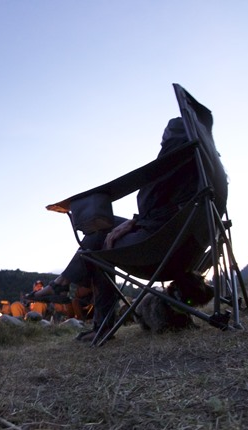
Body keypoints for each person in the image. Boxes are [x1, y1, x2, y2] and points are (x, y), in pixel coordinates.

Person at [27, 118, 196, 342]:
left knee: (98, 236)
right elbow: (169, 208)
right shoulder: (202, 164)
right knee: (102, 228)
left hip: (161, 245)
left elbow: (154, 205)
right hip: (189, 243)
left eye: (165, 137)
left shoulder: (173, 162)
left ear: (171, 138)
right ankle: (63, 285)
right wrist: (135, 222)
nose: (162, 141)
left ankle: (74, 295)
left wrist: (135, 223)